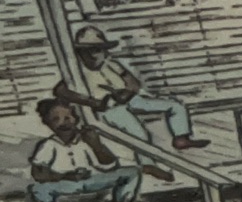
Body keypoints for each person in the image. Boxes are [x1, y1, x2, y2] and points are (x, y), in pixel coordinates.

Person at [56, 24, 208, 154]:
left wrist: (128, 92)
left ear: (104, 50)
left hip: (129, 99)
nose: (93, 55)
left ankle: (181, 138)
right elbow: (60, 91)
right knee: (137, 132)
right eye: (87, 51)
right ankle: (147, 163)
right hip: (109, 107)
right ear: (80, 53)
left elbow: (133, 82)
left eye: (97, 50)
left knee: (175, 106)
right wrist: (94, 102)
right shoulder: (78, 72)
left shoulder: (111, 64)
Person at [28, 96, 144, 202]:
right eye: (56, 119)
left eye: (68, 117)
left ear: (76, 118)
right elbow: (37, 173)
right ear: (47, 123)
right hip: (66, 183)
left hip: (92, 180)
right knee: (38, 189)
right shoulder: (49, 145)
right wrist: (65, 176)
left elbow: (110, 165)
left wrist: (96, 145)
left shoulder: (86, 138)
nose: (64, 123)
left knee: (131, 173)